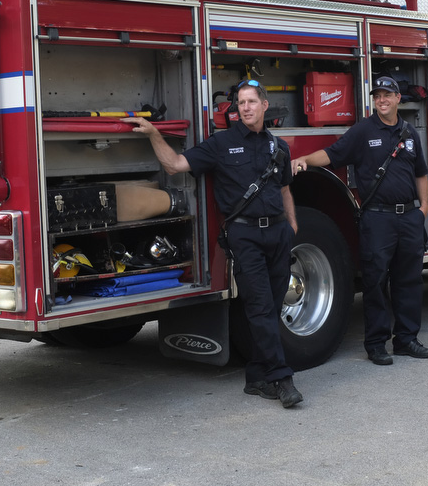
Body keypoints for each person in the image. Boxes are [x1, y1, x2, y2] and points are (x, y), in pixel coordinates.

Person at [122, 80, 303, 408]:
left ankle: (256, 377)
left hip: (278, 234)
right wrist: (153, 134)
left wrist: (292, 225)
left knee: (272, 308)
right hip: (245, 236)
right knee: (260, 307)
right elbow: (175, 165)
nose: (245, 108)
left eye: (251, 101)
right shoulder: (221, 144)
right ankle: (282, 378)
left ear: (264, 105)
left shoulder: (278, 146)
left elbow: (285, 188)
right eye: (240, 103)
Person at [291, 76, 428, 366]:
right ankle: (376, 344)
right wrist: (305, 159)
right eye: (377, 96)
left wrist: (425, 208)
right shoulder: (363, 131)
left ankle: (406, 340)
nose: (382, 100)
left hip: (409, 217)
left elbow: (421, 172)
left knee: (409, 281)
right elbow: (332, 155)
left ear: (398, 99)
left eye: (387, 95)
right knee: (375, 282)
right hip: (377, 219)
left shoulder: (409, 133)